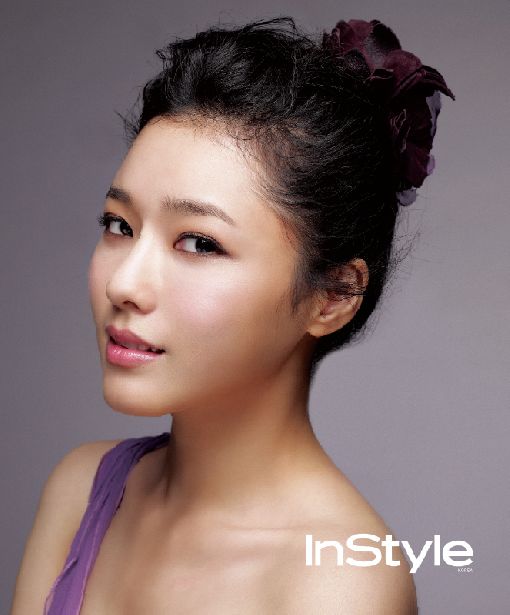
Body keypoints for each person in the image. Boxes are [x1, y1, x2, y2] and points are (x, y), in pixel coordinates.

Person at [10, 16, 454, 614]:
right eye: (120, 225)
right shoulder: (81, 489)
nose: (124, 283)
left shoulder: (339, 584)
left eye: (198, 243)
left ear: (332, 296)